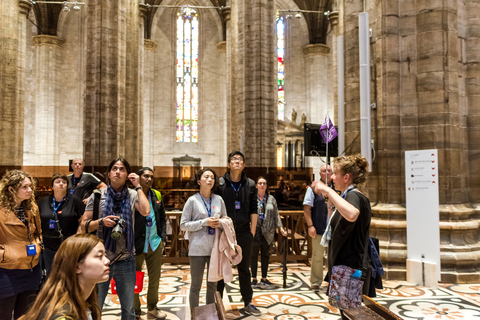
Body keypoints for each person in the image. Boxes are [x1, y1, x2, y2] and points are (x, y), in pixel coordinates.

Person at [80, 157, 151, 320]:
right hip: (101, 259)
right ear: (109, 174)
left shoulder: (133, 194)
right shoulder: (98, 196)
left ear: (127, 175)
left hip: (126, 259)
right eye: (114, 169)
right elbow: (83, 225)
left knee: (129, 309)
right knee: (96, 307)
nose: (118, 172)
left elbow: (146, 211)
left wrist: (139, 186)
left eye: (122, 169)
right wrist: (101, 222)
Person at [311, 155, 371, 319]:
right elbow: (338, 223)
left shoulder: (354, 196)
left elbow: (352, 214)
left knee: (349, 315)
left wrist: (328, 190)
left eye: (335, 173)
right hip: (344, 268)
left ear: (346, 177)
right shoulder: (347, 196)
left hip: (349, 268)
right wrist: (331, 199)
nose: (331, 177)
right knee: (346, 312)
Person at [19, 233, 110, 320]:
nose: (107, 261)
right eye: (99, 256)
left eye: (105, 255)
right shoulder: (61, 315)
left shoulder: (84, 302)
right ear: (77, 266)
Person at [217, 151, 261, 316]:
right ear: (228, 164)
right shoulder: (220, 183)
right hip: (224, 233)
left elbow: (254, 209)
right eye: (233, 159)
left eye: (240, 160)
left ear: (243, 165)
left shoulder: (250, 184)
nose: (237, 162)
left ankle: (248, 302)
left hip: (243, 232)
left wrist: (252, 231)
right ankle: (218, 302)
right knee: (221, 268)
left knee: (244, 269)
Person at [180, 168, 227, 316]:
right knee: (195, 286)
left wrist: (219, 222)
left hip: (215, 249)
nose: (210, 180)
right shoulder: (192, 201)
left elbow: (226, 220)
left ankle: (209, 316)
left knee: (212, 285)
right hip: (197, 249)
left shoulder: (219, 199)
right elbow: (183, 225)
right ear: (199, 181)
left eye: (212, 177)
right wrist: (204, 222)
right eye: (206, 177)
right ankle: (195, 316)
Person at [0, 170, 42, 320]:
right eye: (25, 187)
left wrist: (38, 246)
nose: (30, 190)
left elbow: (38, 233)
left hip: (31, 269)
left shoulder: (32, 208)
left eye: (30, 186)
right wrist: (4, 254)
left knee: (26, 316)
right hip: (7, 271)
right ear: (11, 189)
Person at [134, 167, 167, 320]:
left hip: (154, 241)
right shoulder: (133, 195)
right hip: (138, 243)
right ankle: (135, 311)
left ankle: (152, 307)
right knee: (135, 278)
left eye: (151, 177)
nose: (149, 179)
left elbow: (162, 217)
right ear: (139, 178)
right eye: (145, 176)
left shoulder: (156, 194)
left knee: (155, 278)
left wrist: (163, 238)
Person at [38, 173, 85, 273]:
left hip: (69, 246)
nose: (61, 184)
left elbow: (83, 220)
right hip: (48, 246)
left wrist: (77, 238)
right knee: (50, 276)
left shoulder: (75, 201)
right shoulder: (42, 202)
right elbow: (37, 222)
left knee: (68, 274)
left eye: (64, 182)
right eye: (58, 182)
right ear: (52, 186)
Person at [251, 177, 286, 290]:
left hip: (268, 232)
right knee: (254, 255)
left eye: (264, 183)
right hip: (255, 230)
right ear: (256, 185)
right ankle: (254, 278)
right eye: (260, 183)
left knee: (266, 255)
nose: (262, 185)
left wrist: (280, 228)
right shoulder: (252, 198)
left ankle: (264, 278)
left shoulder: (271, 199)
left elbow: (276, 214)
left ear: (266, 186)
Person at [302, 164, 334, 291]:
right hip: (319, 227)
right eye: (324, 171)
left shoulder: (336, 187)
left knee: (333, 256)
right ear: (320, 173)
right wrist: (310, 225)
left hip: (334, 228)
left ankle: (333, 281)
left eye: (329, 170)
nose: (327, 173)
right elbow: (307, 208)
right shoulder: (313, 188)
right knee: (317, 256)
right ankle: (315, 282)